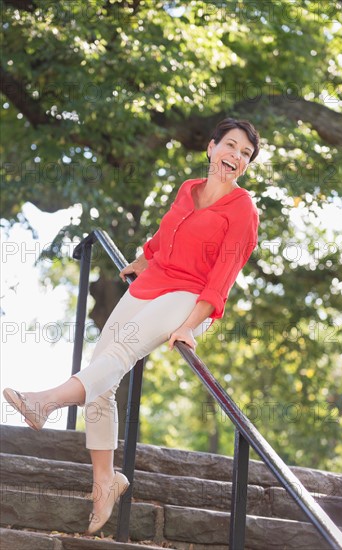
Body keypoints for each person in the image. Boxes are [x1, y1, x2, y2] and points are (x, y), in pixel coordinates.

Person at [3, 117, 260, 535]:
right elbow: (165, 236)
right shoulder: (187, 189)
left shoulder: (243, 210)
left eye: (245, 154)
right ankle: (106, 482)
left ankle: (44, 402)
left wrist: (192, 325)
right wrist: (143, 258)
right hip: (153, 283)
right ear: (211, 148)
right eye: (230, 146)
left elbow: (223, 278)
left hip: (189, 299)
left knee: (119, 357)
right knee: (101, 372)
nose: (235, 156)